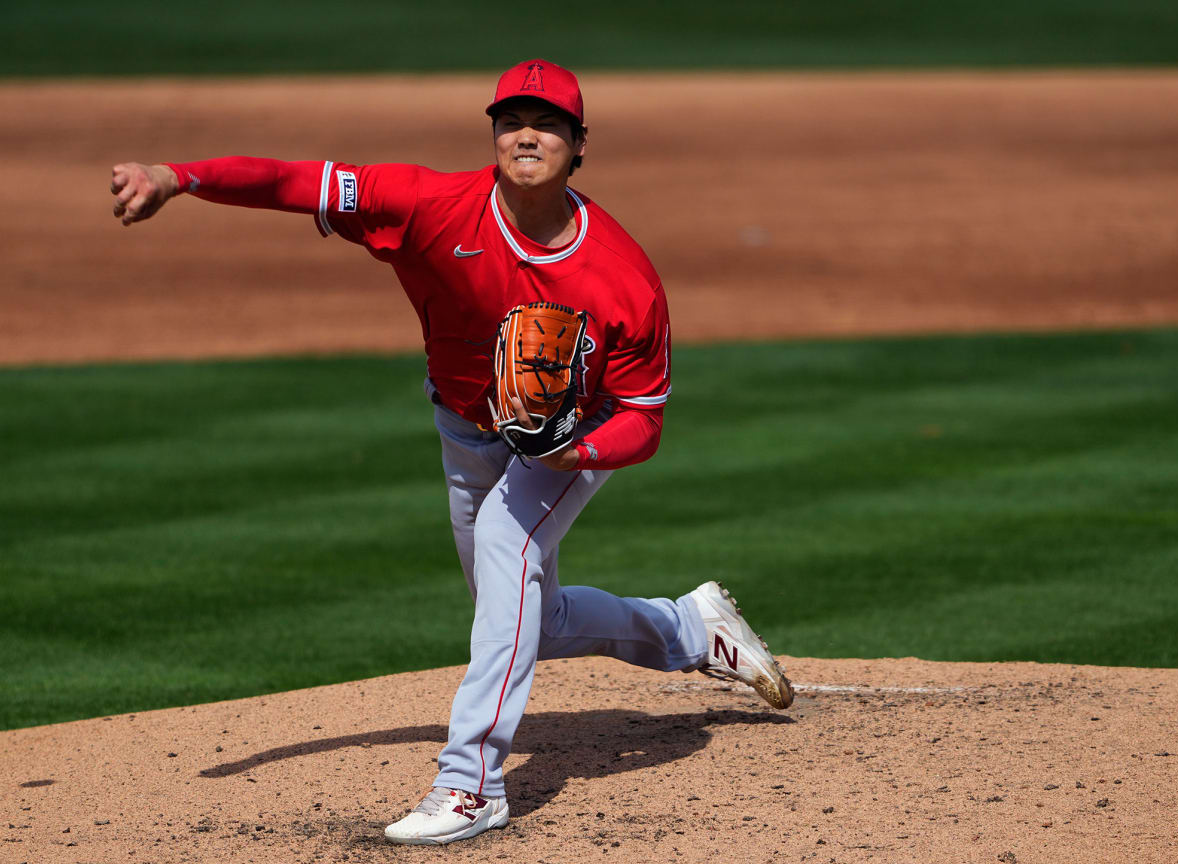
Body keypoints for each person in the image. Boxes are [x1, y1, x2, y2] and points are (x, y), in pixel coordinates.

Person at [109, 58, 794, 846]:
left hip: (572, 435)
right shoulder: (428, 206)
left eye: (547, 124)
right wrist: (177, 176)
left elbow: (643, 416)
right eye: (511, 121)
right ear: (494, 134)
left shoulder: (623, 278)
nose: (526, 134)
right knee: (520, 612)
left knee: (511, 542)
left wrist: (578, 452)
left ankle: (471, 784)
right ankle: (687, 629)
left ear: (578, 145)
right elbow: (297, 182)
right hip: (463, 426)